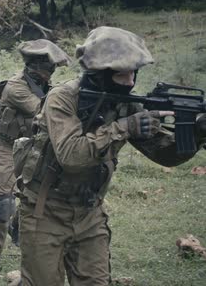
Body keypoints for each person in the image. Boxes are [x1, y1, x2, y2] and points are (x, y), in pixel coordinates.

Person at [17, 27, 206, 286]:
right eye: (121, 74)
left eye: (133, 73)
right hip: (45, 211)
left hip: (89, 213)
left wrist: (196, 132)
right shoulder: (63, 98)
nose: (130, 82)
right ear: (98, 73)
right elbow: (71, 155)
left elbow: (166, 155)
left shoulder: (124, 102)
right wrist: (125, 127)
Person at [0, 39, 71, 273]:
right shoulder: (17, 88)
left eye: (52, 69)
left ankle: (17, 228)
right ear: (34, 66)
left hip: (31, 147)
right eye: (48, 67)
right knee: (5, 202)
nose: (50, 73)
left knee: (30, 198)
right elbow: (45, 112)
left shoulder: (45, 85)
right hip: (5, 147)